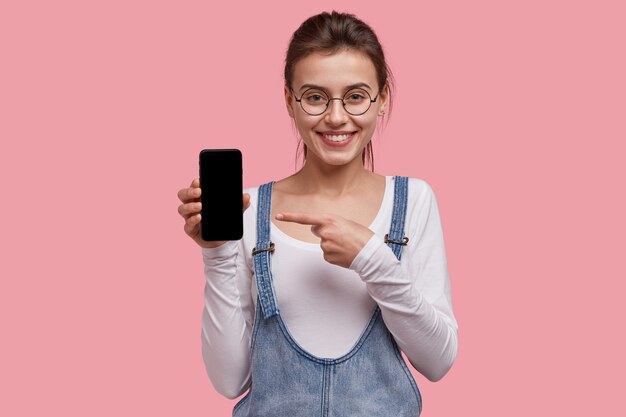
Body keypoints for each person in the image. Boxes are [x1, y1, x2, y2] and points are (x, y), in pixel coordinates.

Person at [177, 11, 458, 416]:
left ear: (383, 100)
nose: (336, 116)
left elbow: (439, 360)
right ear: (290, 101)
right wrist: (217, 253)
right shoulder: (248, 209)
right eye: (315, 97)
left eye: (356, 96)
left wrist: (372, 258)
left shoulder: (413, 200)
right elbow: (229, 381)